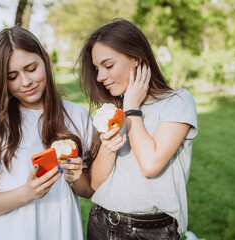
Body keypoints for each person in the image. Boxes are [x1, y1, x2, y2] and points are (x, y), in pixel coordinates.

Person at [0, 26, 94, 240]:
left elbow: (89, 190)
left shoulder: (77, 116)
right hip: (6, 231)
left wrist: (76, 176)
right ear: (1, 80)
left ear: (44, 60)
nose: (25, 82)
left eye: (31, 68)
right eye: (12, 76)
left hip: (58, 230)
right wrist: (27, 193)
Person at [77, 19, 198, 239]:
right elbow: (95, 183)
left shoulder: (178, 101)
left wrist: (132, 108)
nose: (99, 77)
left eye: (108, 65)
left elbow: (150, 164)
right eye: (96, 69)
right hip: (101, 223)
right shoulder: (112, 109)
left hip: (150, 231)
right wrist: (108, 147)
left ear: (137, 59)